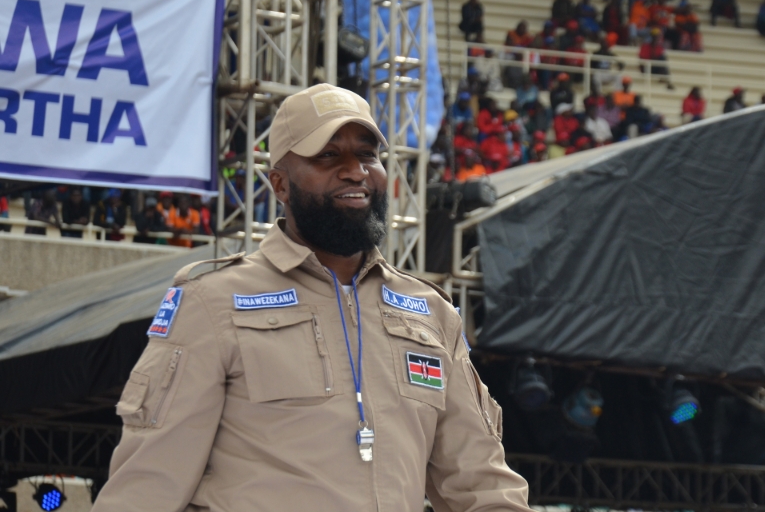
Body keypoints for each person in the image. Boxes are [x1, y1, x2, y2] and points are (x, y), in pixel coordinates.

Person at [92, 83, 531, 511]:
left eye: (367, 154)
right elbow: (146, 488)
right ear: (280, 184)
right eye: (328, 155)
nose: (355, 171)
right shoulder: (213, 301)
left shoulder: (432, 313)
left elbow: (484, 485)